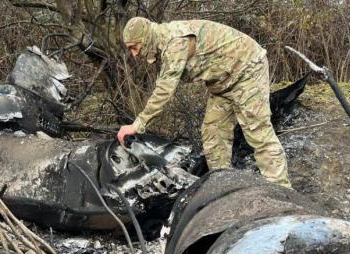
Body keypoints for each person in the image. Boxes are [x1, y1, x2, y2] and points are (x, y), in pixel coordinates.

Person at [117, 17, 291, 188]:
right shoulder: (165, 41)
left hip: (248, 69)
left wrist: (137, 125)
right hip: (222, 83)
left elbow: (164, 90)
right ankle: (224, 188)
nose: (134, 53)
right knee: (213, 134)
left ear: (145, 38)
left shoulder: (175, 41)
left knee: (258, 131)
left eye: (135, 47)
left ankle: (282, 192)